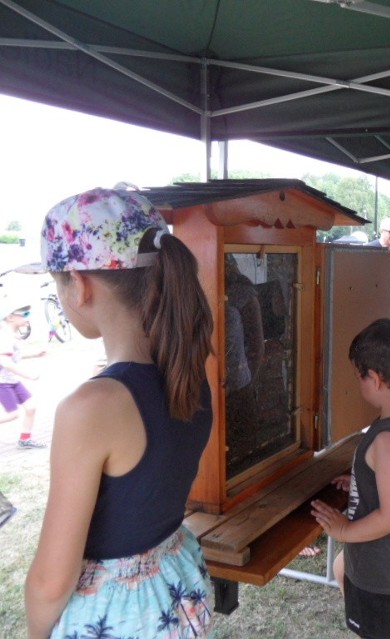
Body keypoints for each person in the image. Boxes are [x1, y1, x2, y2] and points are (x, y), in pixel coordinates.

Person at [26, 188, 215, 639]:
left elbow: (52, 581)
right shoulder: (190, 376)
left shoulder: (91, 409)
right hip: (181, 591)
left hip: (122, 618)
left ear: (81, 284)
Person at [311, 318, 390, 639]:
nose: (359, 383)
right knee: (341, 569)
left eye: (359, 376)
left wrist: (343, 529)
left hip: (381, 570)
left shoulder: (387, 440)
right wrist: (365, 483)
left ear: (376, 379)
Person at [0, 299, 46, 449]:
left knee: (31, 407)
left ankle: (25, 439)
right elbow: (5, 362)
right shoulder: (5, 337)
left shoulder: (13, 336)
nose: (28, 317)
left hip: (11, 380)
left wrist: (34, 354)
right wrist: (28, 375)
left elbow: (15, 356)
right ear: (10, 317)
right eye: (25, 314)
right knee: (12, 414)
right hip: (3, 382)